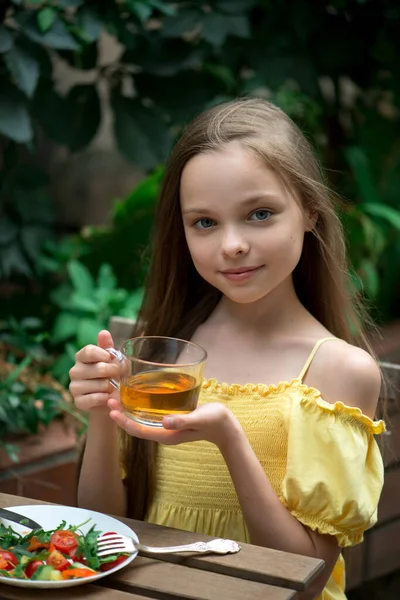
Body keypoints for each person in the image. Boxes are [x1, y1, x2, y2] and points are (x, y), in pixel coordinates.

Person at [69, 98, 385, 600]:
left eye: (259, 214)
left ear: (309, 212)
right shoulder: (168, 348)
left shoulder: (338, 371)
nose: (232, 244)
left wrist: (229, 439)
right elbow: (105, 533)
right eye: (205, 223)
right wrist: (104, 411)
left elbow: (307, 583)